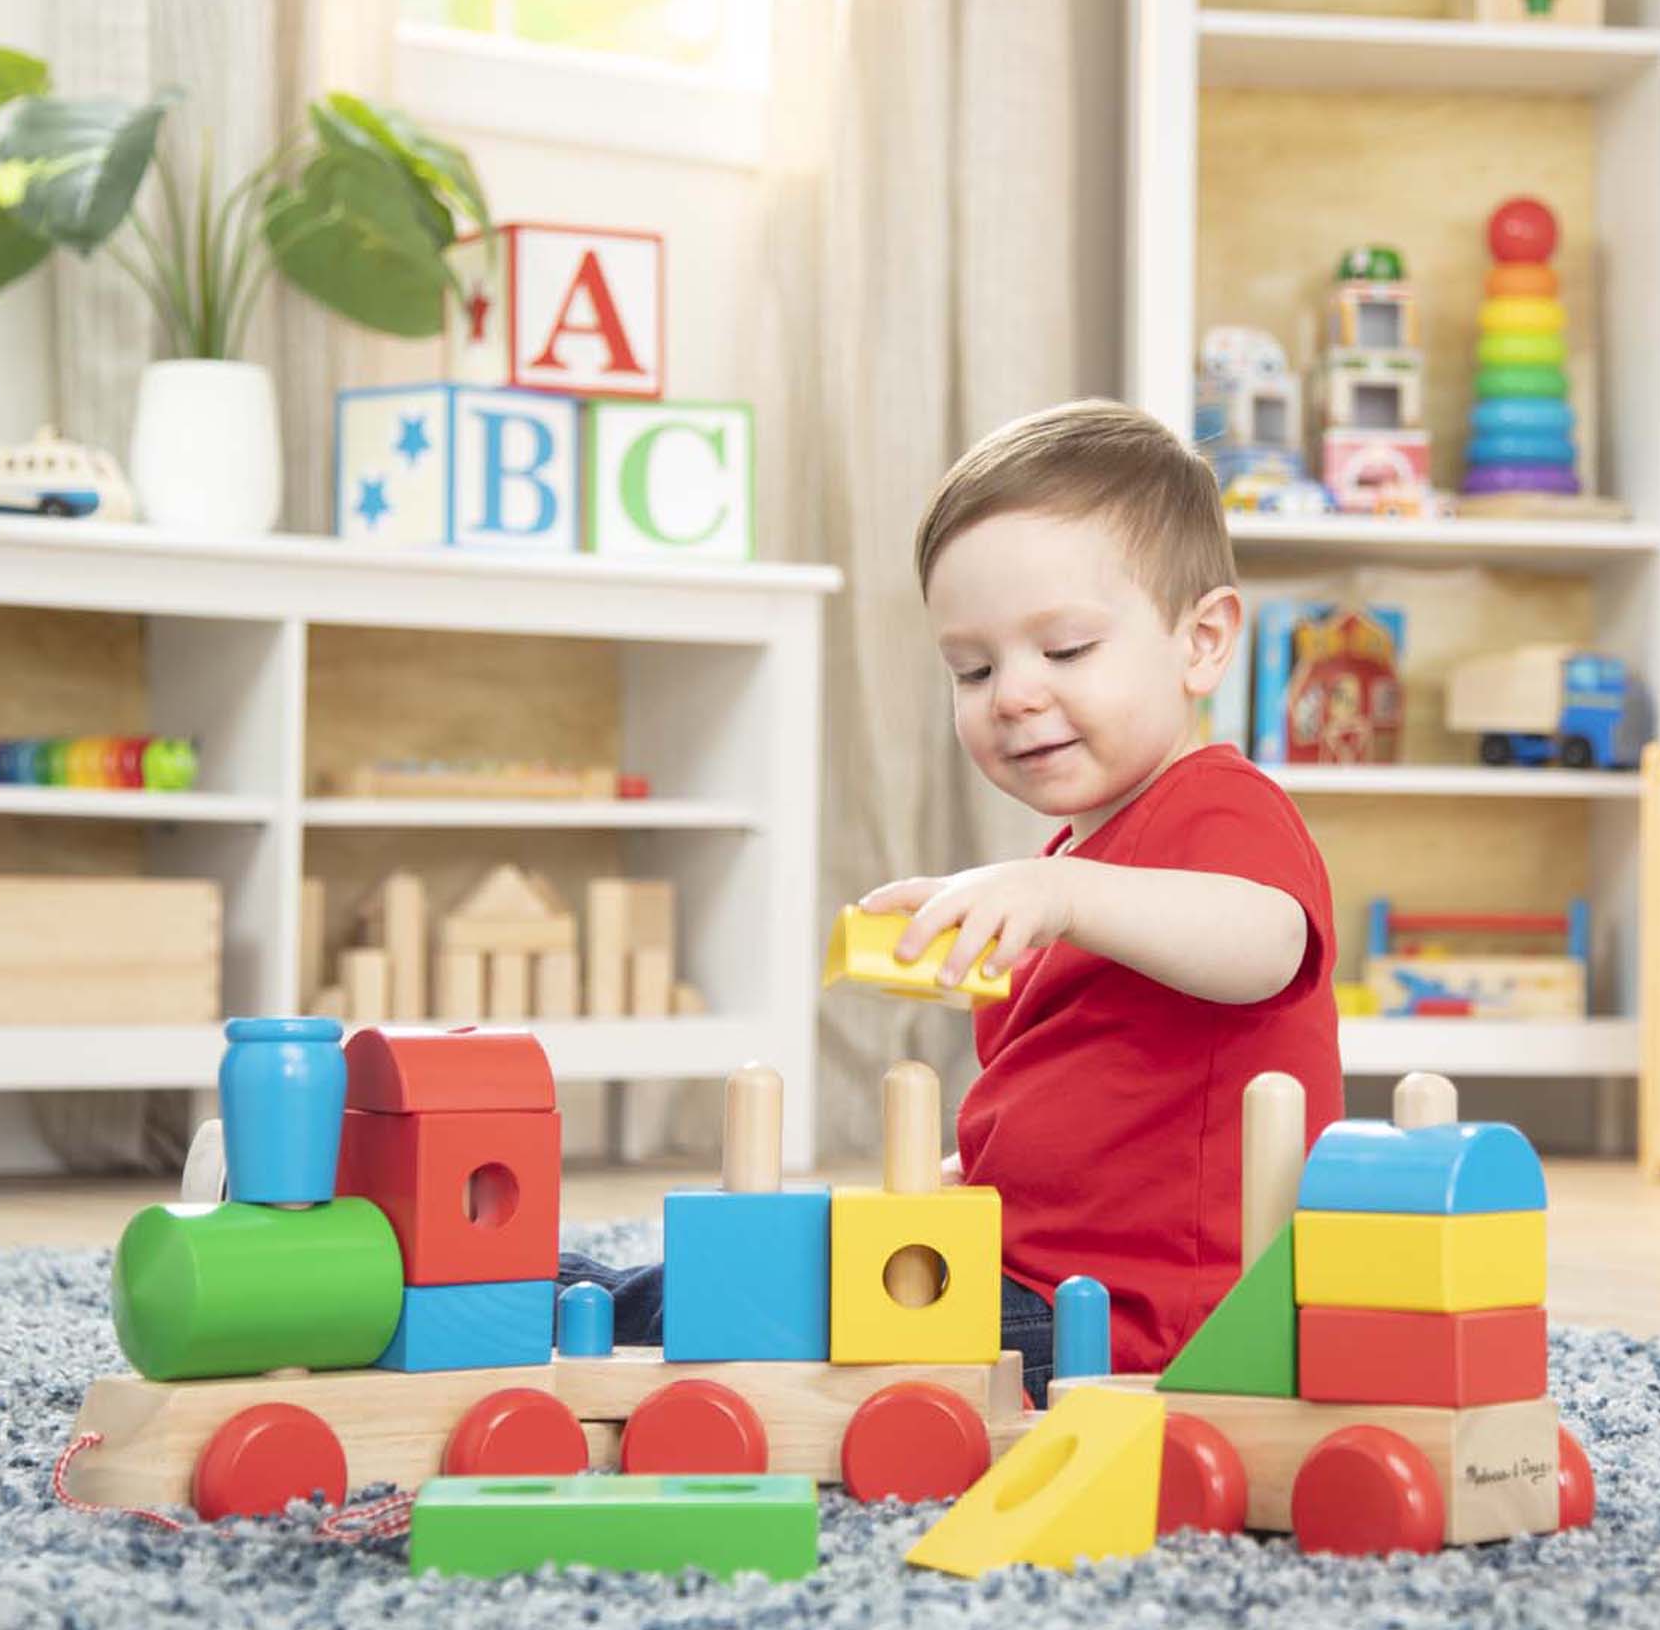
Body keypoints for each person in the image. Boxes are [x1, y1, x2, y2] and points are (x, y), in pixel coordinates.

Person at [559, 398, 1342, 1402]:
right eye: (971, 668)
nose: (1010, 693)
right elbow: (1075, 1104)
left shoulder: (1223, 811)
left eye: (1062, 650)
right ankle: (569, 1301)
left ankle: (577, 1316)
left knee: (783, 1299)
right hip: (1037, 1279)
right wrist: (950, 1175)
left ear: (1200, 640)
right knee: (782, 1254)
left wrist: (1061, 891)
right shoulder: (1083, 860)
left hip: (1139, 1325)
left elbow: (1265, 942)